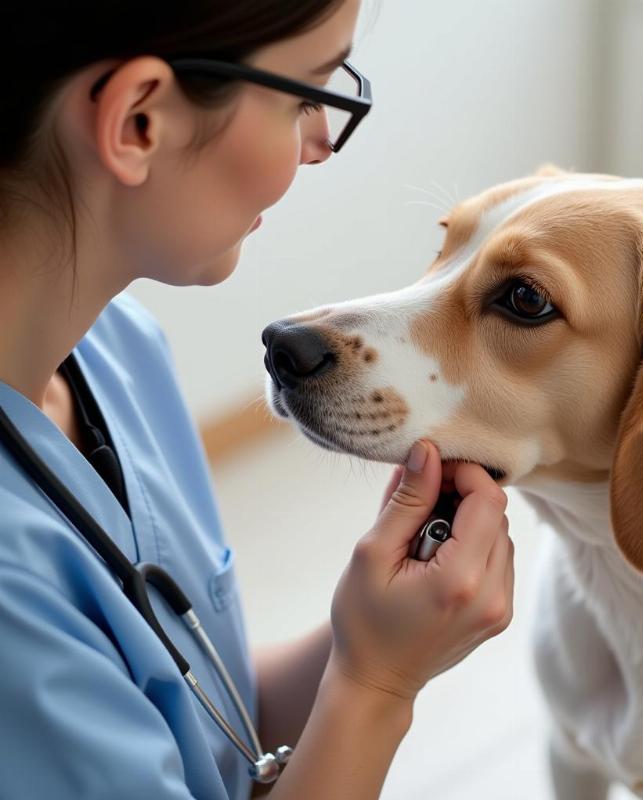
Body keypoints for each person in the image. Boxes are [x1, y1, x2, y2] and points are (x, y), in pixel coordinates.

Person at [0, 2, 515, 798]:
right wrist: (376, 688)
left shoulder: (120, 352)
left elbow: (210, 724)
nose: (318, 144)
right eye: (307, 93)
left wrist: (368, 638)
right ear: (139, 121)